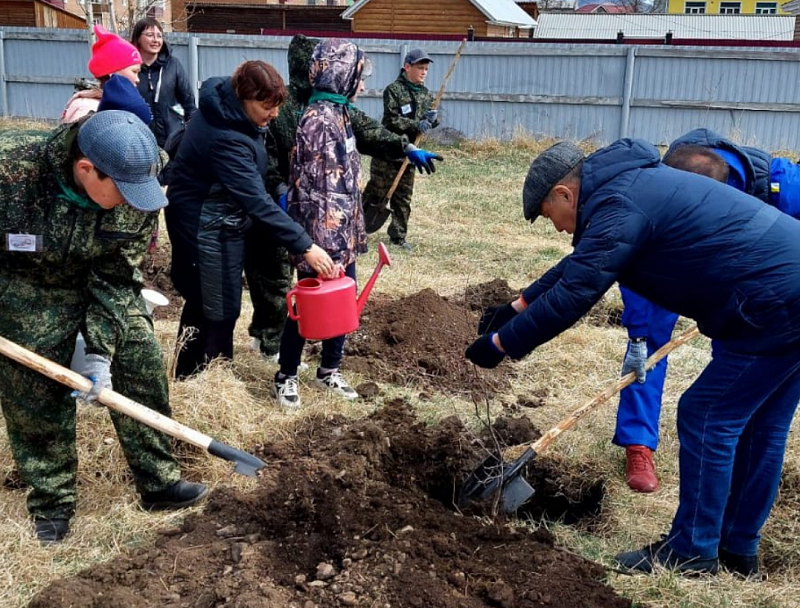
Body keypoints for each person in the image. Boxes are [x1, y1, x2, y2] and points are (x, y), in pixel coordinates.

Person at [468, 139, 800, 578]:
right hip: (785, 291)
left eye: (551, 217)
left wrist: (499, 347)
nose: (558, 229)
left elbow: (575, 294)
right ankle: (738, 550)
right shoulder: (630, 185)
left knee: (707, 416)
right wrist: (514, 310)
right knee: (762, 425)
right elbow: (579, 266)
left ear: (565, 195)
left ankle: (693, 551)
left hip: (774, 305)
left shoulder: (619, 204)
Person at [0, 110, 208, 545]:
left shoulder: (138, 192)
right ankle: (53, 502)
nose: (136, 201)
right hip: (25, 284)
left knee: (141, 362)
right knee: (32, 392)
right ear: (85, 169)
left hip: (99, 279)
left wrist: (99, 353)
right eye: (124, 191)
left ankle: (159, 483)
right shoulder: (11, 169)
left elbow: (117, 278)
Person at [612, 129, 800, 495]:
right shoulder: (664, 192)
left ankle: (730, 454)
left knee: (737, 384)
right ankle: (638, 444)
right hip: (688, 269)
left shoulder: (783, 189)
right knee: (648, 338)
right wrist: (637, 334)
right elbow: (632, 263)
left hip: (762, 299)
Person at [248, 35, 444, 362]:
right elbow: (264, 158)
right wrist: (280, 191)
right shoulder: (291, 110)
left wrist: (406, 147)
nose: (362, 86)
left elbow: (368, 132)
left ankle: (324, 362)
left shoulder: (339, 109)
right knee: (277, 281)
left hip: (329, 224)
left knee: (330, 291)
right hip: (287, 211)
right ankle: (273, 347)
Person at [164, 60, 335, 380]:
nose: (274, 114)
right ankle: (201, 379)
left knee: (215, 303)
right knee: (215, 307)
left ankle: (199, 371)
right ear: (243, 97)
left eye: (277, 106)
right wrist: (306, 245)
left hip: (220, 220)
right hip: (204, 224)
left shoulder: (233, 115)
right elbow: (255, 201)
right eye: (266, 106)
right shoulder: (225, 137)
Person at [361, 48, 439, 252]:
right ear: (407, 67)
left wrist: (432, 120)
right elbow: (391, 120)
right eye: (420, 68)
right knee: (376, 192)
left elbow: (429, 120)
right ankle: (357, 227)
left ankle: (398, 235)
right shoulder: (393, 90)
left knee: (404, 196)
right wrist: (416, 125)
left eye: (426, 69)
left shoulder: (425, 94)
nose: (424, 72)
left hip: (410, 154)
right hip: (387, 150)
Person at [131, 18, 196, 148]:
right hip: (138, 141)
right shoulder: (129, 68)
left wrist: (192, 133)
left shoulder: (173, 65)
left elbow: (189, 104)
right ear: (138, 38)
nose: (156, 40)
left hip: (172, 142)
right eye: (150, 35)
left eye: (159, 36)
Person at [61, 25, 143, 124]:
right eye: (134, 72)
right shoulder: (87, 109)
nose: (138, 79)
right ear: (112, 73)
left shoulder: (119, 105)